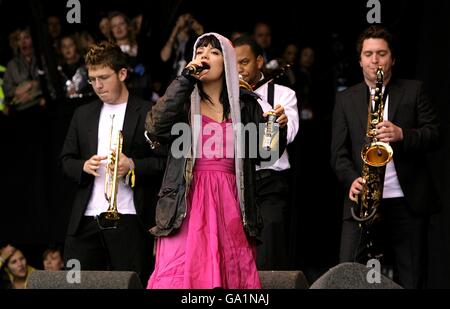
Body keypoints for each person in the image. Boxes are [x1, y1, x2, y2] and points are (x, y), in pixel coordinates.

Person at [145, 33, 286, 289]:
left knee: (229, 276)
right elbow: (155, 127)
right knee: (179, 274)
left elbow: (266, 154)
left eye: (213, 52)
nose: (204, 57)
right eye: (199, 52)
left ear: (228, 62)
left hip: (231, 202)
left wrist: (275, 128)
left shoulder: (246, 105)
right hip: (186, 202)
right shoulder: (183, 102)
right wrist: (185, 80)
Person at [330, 25, 440, 288]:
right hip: (364, 201)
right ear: (360, 60)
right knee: (347, 273)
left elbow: (435, 134)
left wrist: (403, 134)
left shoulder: (414, 90)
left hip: (406, 200)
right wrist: (352, 180)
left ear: (392, 58)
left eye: (381, 53)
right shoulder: (346, 99)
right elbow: (338, 154)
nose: (375, 60)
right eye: (368, 54)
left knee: (412, 277)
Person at [60, 41, 166, 285]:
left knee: (132, 283)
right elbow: (65, 161)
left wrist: (133, 165)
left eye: (104, 77)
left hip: (130, 216)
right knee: (76, 284)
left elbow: (167, 162)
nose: (97, 85)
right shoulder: (82, 114)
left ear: (122, 74)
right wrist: (83, 166)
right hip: (86, 218)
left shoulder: (149, 111)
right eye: (92, 79)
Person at [234, 36, 299, 270]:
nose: (239, 69)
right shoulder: (222, 97)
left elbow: (289, 133)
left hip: (269, 184)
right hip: (234, 185)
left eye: (244, 62)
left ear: (259, 61)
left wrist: (277, 122)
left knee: (268, 260)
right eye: (233, 63)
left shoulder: (283, 94)